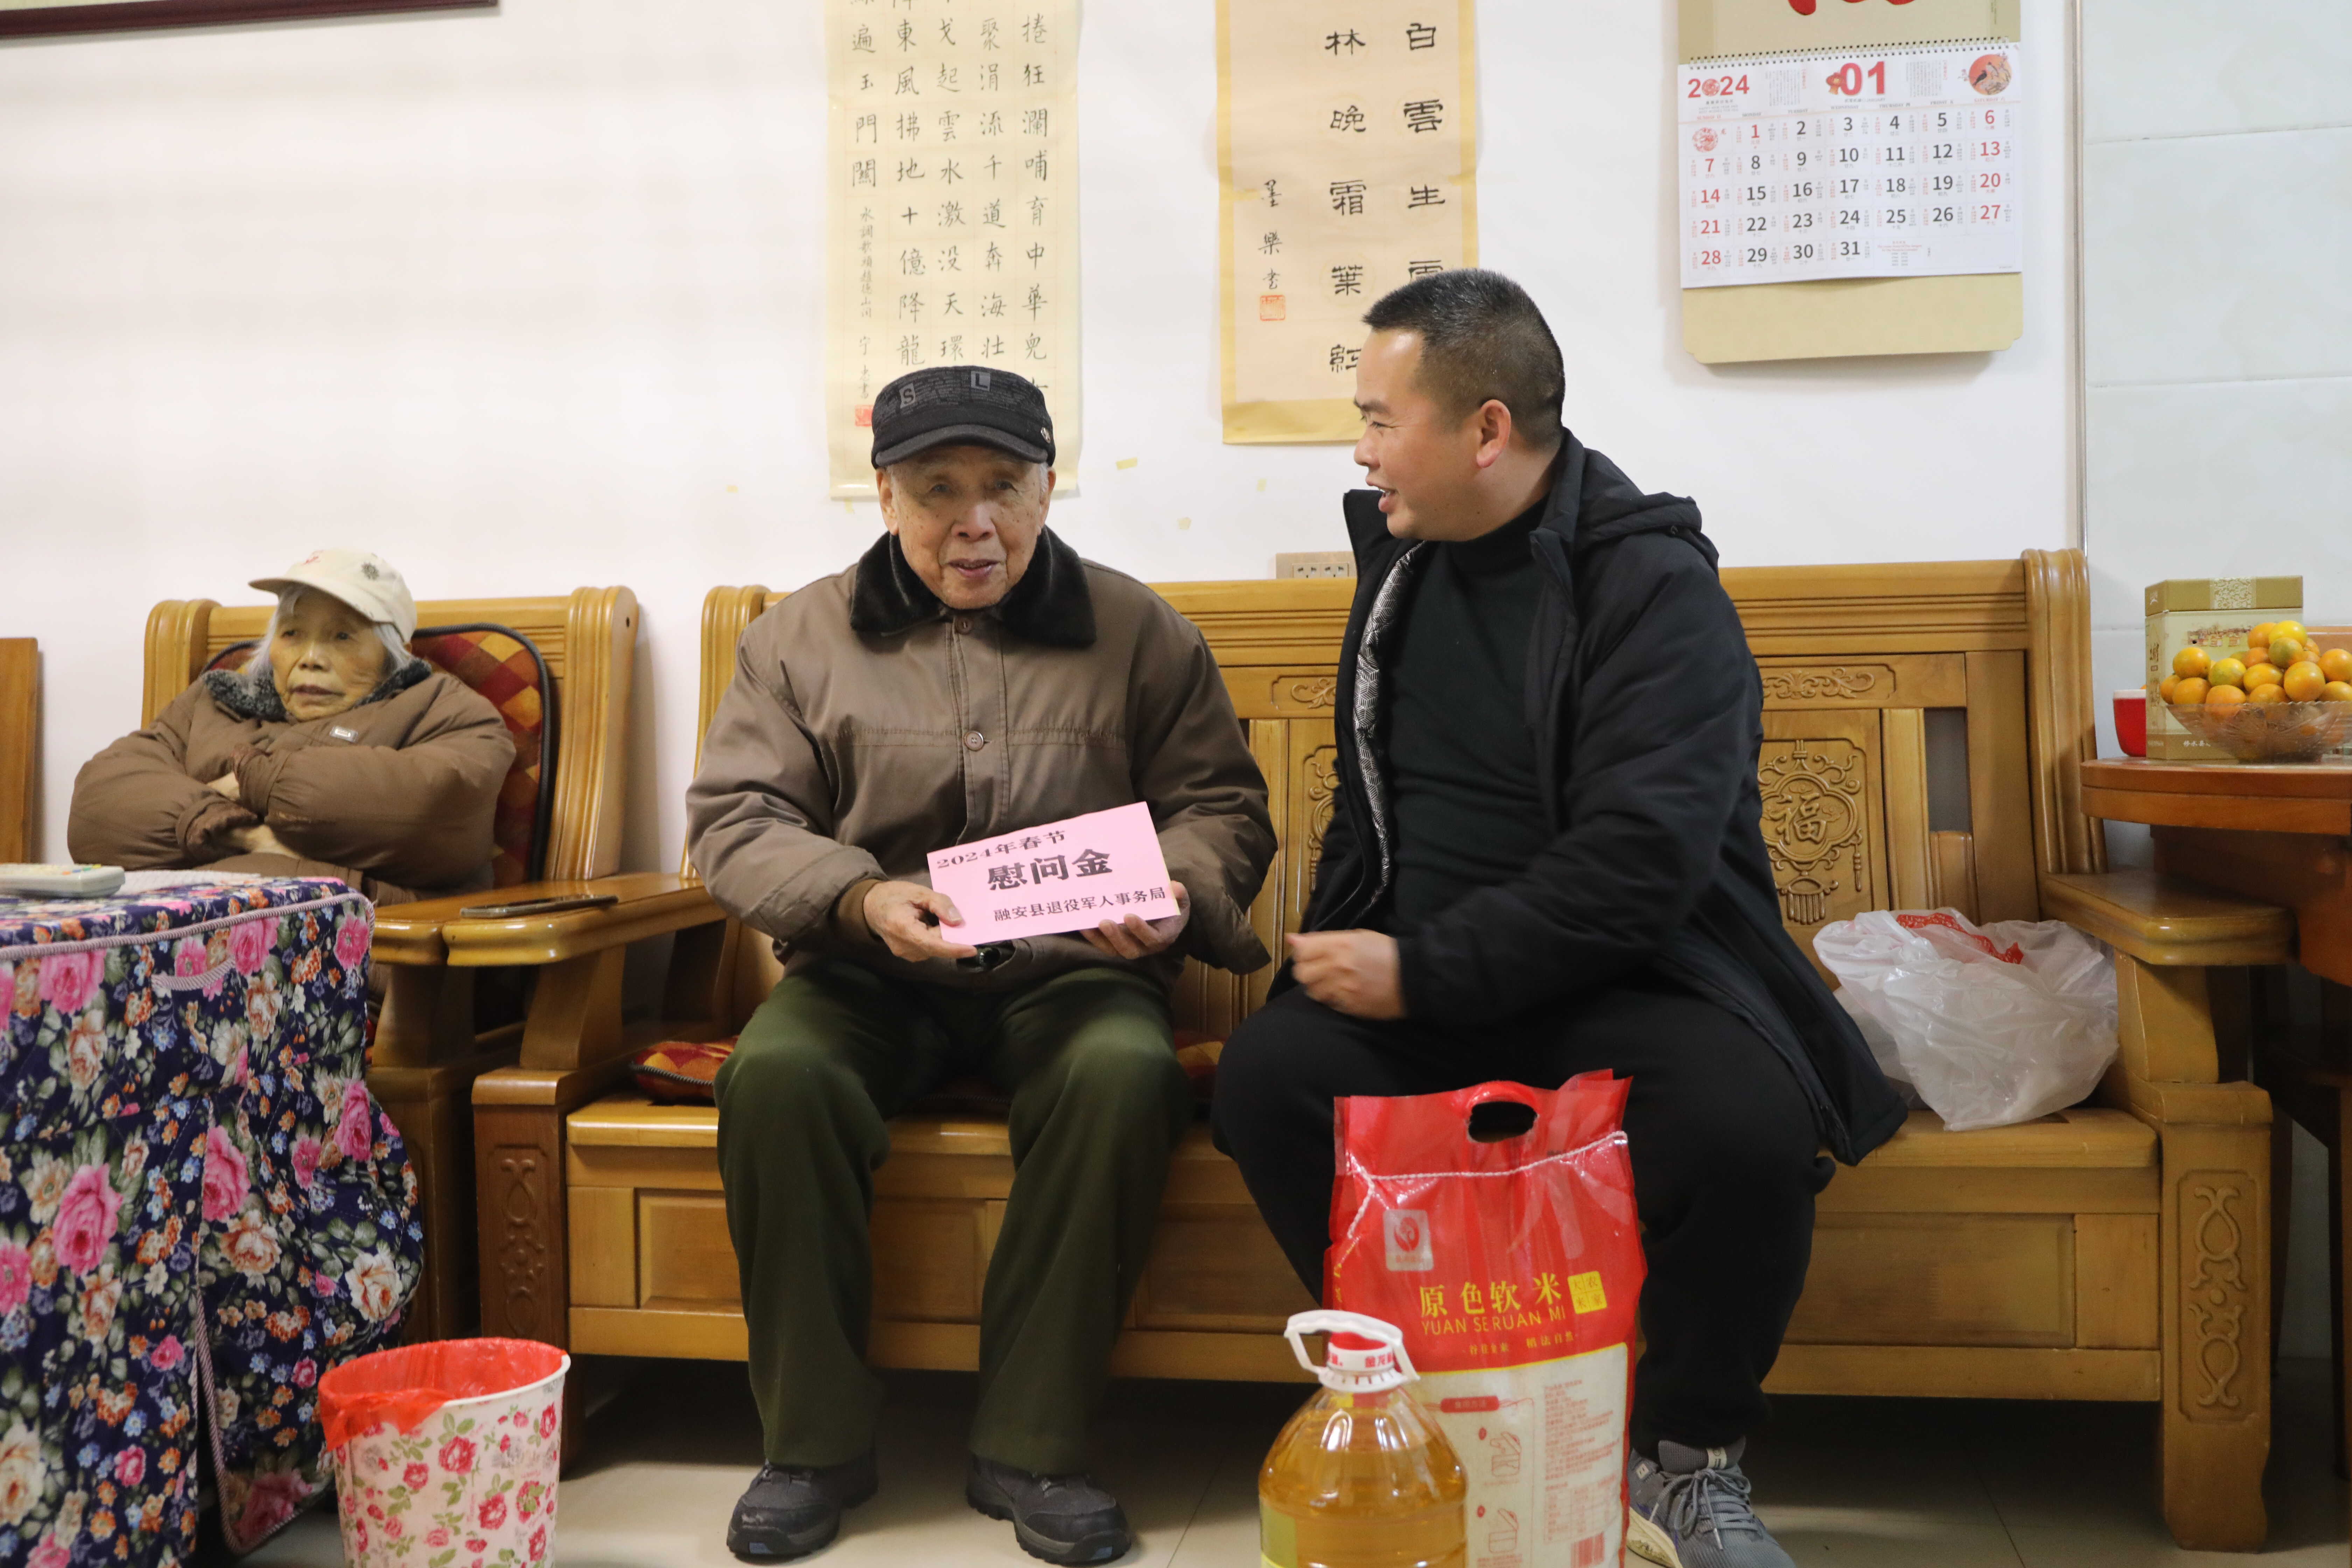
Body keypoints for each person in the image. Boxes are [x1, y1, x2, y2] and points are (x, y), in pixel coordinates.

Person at [1209, 271, 1906, 1568]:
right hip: (1430, 979)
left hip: (1634, 976)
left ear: (1484, 429)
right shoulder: (1401, 567)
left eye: (1378, 418)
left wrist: (1421, 971)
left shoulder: (1652, 588)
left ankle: (1684, 1460)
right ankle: (1428, 1412)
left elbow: (1642, 863)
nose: (1359, 451)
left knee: (1743, 1131)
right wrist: (1345, 950)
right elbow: (1372, 800)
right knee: (1267, 1079)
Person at [687, 365, 1275, 1566]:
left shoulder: (1138, 629)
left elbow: (1219, 805)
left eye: (1004, 486)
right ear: (884, 497)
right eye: (937, 490)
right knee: (778, 1076)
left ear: (1050, 488)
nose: (975, 523)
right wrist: (858, 897)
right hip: (867, 970)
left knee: (1122, 1073)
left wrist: (1175, 891)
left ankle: (1032, 1445)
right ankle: (811, 1445)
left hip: (1073, 972)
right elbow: (737, 818)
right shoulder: (797, 638)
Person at [70, 550, 514, 904]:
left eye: (342, 636)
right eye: (292, 634)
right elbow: (100, 810)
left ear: (396, 651)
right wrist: (246, 834)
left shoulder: (443, 709)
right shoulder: (215, 700)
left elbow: (427, 808)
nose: (311, 658)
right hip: (168, 936)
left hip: (351, 954)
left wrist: (252, 782)